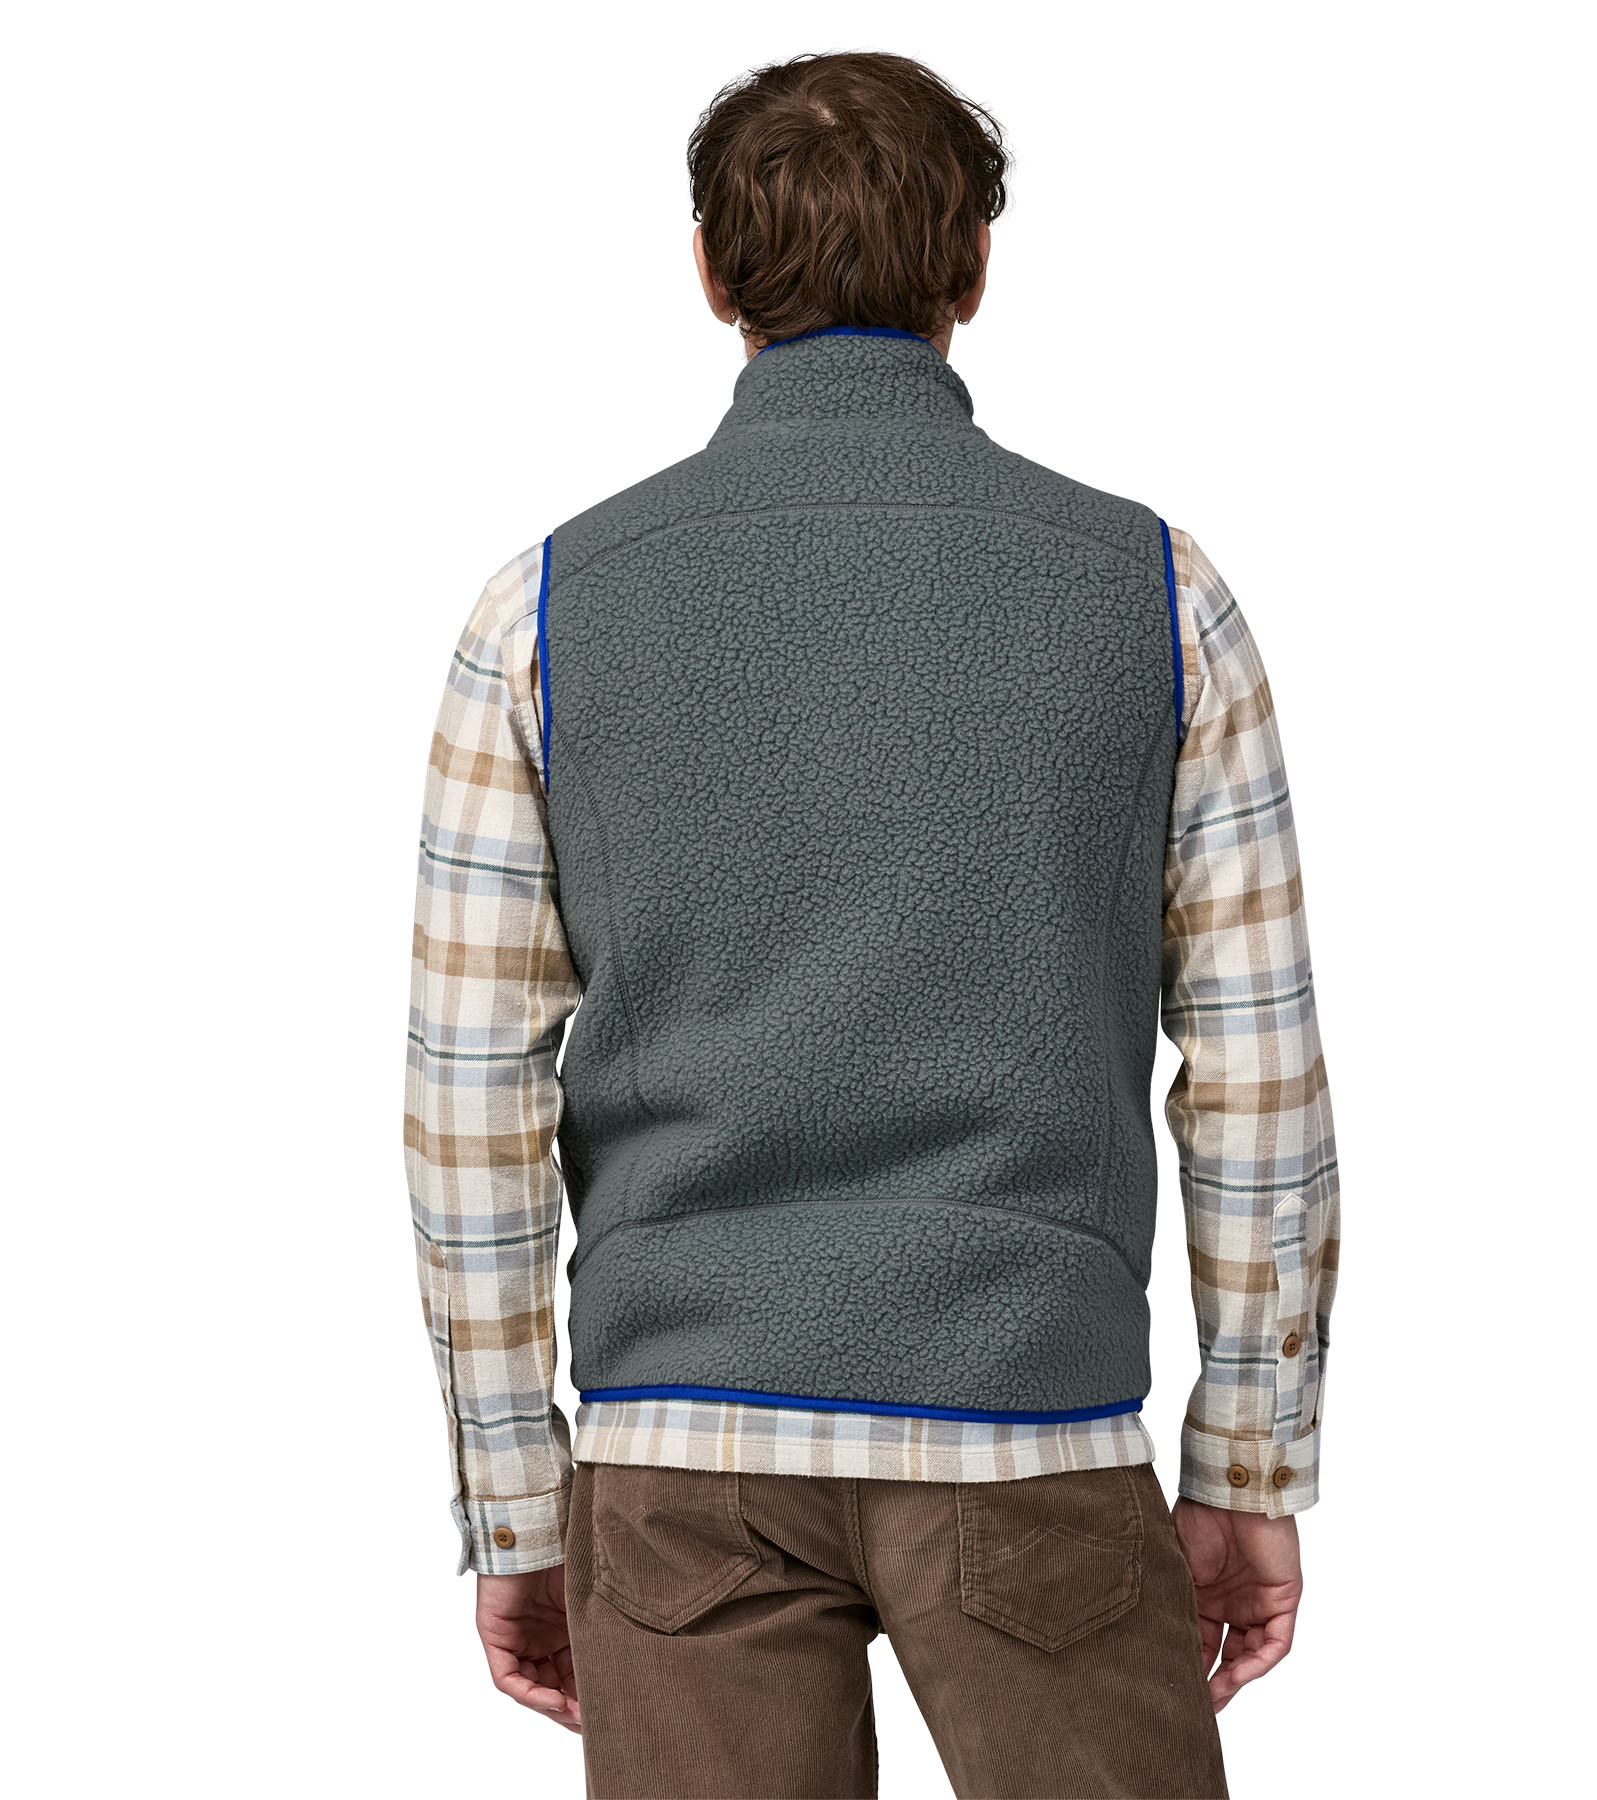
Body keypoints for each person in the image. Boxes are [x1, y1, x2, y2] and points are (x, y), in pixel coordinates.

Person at [403, 48, 1339, 1800]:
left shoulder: (543, 611)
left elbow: (470, 1103)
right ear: (973, 267)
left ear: (711, 273)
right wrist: (1251, 1463)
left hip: (678, 1453)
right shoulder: (1157, 596)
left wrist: (515, 1505)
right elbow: (1256, 1078)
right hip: (1034, 1420)